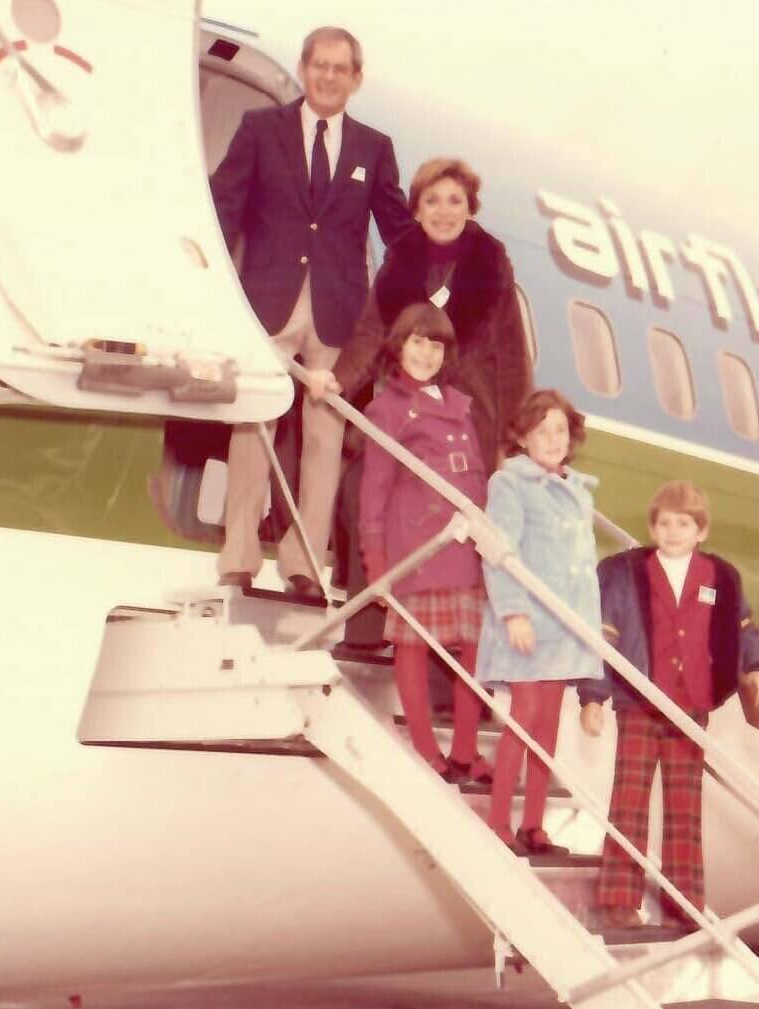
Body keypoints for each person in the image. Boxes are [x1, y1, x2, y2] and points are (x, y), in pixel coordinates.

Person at [208, 26, 410, 600]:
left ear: (356, 78)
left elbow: (397, 231)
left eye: (339, 68)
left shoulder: (374, 149)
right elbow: (225, 206)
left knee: (325, 437)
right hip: (268, 302)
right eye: (319, 65)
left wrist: (443, 269)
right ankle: (239, 554)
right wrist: (217, 288)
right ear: (304, 67)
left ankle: (303, 562)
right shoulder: (260, 130)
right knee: (254, 423)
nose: (327, 76)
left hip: (338, 312)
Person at [577, 481, 759, 928]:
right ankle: (619, 900)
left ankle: (683, 901)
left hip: (692, 705)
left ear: (700, 531)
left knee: (685, 806)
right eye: (664, 523)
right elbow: (603, 635)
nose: (672, 531)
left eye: (683, 523)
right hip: (639, 701)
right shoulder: (626, 574)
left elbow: (743, 628)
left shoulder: (720, 578)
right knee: (628, 800)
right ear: (652, 527)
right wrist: (593, 695)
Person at [312, 155, 531, 462]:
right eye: (432, 201)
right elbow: (369, 336)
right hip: (407, 419)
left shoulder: (492, 266)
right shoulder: (398, 264)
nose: (444, 212)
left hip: (471, 423)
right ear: (416, 210)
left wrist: (514, 441)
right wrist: (339, 380)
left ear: (470, 208)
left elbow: (512, 358)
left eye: (455, 201)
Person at [360, 303, 493, 782]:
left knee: (475, 647)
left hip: (464, 547)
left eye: (436, 345)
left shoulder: (460, 405)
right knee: (412, 648)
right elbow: (373, 487)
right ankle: (422, 745)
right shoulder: (387, 409)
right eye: (418, 341)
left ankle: (463, 748)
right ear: (399, 345)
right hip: (418, 547)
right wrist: (375, 556)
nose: (427, 353)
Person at [475, 390, 603, 855]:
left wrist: (588, 628)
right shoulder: (511, 484)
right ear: (524, 436)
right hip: (527, 623)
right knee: (524, 718)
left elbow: (582, 568)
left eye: (561, 431)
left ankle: (533, 825)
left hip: (564, 629)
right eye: (543, 430)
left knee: (548, 725)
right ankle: (497, 821)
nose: (553, 439)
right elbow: (497, 549)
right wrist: (512, 612)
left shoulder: (577, 493)